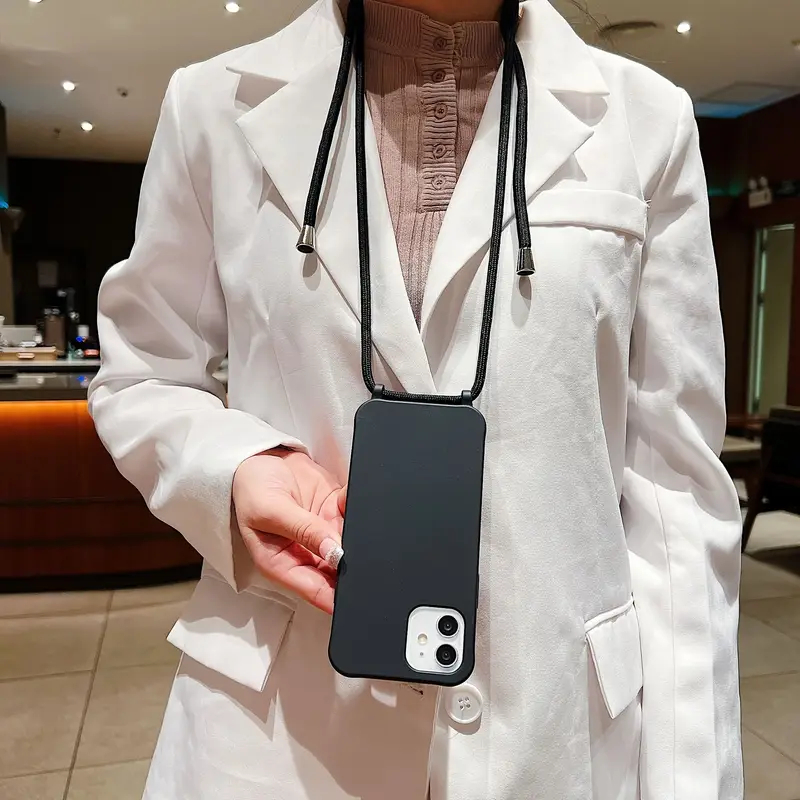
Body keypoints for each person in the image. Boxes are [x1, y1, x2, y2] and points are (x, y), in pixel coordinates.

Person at [88, 0, 744, 797]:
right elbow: (143, 371)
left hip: (554, 728)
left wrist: (691, 779)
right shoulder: (210, 107)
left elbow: (678, 494)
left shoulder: (648, 121)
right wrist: (234, 469)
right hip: (278, 730)